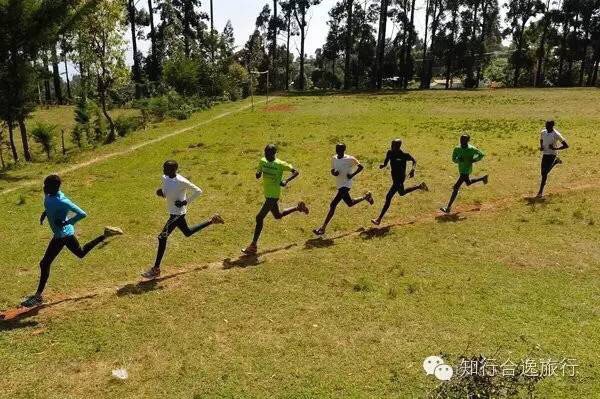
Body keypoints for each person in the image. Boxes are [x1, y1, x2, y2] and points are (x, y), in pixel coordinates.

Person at [21, 175, 123, 308]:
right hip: (63, 234)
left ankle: (38, 296)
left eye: (47, 186)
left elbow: (82, 213)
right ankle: (105, 235)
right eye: (44, 185)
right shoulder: (49, 195)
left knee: (44, 263)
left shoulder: (62, 201)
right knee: (80, 253)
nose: (44, 188)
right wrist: (45, 213)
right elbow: (50, 206)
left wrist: (67, 221)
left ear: (55, 187)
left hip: (63, 235)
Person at [142, 160, 224, 279]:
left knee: (162, 237)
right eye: (163, 167)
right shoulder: (164, 177)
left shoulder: (181, 181)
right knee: (187, 232)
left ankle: (156, 269)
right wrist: (162, 193)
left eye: (166, 168)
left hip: (178, 214)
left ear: (174, 170)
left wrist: (185, 202)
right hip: (172, 212)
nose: (163, 170)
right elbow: (167, 190)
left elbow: (198, 191)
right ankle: (213, 220)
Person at [242, 144, 309, 255]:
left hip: (273, 195)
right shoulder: (263, 161)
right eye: (265, 154)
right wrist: (258, 174)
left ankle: (253, 246)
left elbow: (296, 172)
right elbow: (259, 172)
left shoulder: (280, 164)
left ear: (274, 154)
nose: (267, 156)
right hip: (267, 194)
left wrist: (286, 181)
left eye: (269, 154)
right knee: (278, 215)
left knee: (259, 217)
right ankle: (298, 207)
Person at [313, 143, 373, 235]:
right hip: (339, 184)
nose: (338, 151)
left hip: (346, 185)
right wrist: (334, 173)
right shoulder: (334, 158)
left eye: (340, 149)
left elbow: (360, 167)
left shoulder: (350, 159)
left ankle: (322, 228)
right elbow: (332, 170)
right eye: (337, 149)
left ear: (344, 150)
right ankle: (366, 197)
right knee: (350, 203)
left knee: (333, 204)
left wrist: (352, 175)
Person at [371, 139, 428, 225]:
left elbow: (414, 161)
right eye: (392, 144)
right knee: (402, 193)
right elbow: (387, 160)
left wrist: (413, 170)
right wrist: (384, 165)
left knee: (388, 197)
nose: (391, 146)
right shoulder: (390, 152)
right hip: (394, 177)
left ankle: (379, 219)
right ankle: (420, 186)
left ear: (398, 146)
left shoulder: (404, 155)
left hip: (400, 178)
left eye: (393, 145)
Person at [440, 134, 488, 214]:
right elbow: (453, 159)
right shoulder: (457, 149)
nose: (462, 141)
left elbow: (481, 154)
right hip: (461, 169)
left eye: (464, 140)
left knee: (456, 187)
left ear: (468, 141)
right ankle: (483, 178)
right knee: (468, 183)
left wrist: (474, 160)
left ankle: (448, 208)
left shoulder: (472, 149)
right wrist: (458, 160)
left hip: (466, 170)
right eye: (461, 139)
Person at [537, 120, 568, 198]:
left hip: (552, 155)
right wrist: (541, 146)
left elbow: (566, 145)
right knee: (543, 173)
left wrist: (555, 148)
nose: (546, 127)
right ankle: (556, 162)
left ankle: (540, 192)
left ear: (552, 126)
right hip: (545, 154)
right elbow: (541, 139)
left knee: (544, 173)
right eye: (545, 125)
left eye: (547, 126)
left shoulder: (556, 134)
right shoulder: (543, 132)